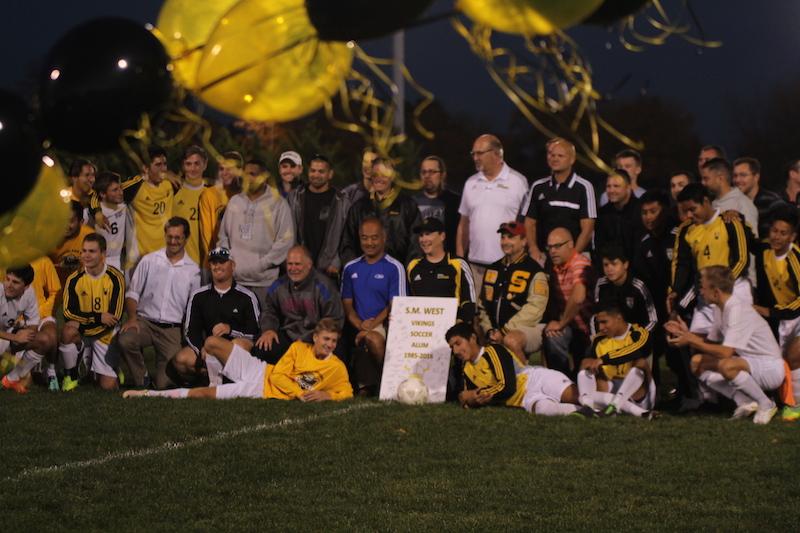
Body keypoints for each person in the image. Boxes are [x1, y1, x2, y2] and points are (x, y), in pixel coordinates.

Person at [124, 318, 352, 401]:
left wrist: (327, 395)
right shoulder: (299, 348)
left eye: (333, 341)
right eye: (325, 339)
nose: (329, 344)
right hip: (261, 372)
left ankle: (147, 394)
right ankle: (217, 381)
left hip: (259, 391)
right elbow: (280, 374)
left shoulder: (336, 367)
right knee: (212, 343)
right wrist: (299, 393)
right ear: (315, 337)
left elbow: (347, 392)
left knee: (202, 395)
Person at [666, 266, 783, 424]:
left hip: (770, 368)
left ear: (716, 292)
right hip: (749, 362)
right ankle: (745, 401)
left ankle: (766, 404)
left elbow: (726, 353)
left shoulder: (736, 309)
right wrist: (686, 334)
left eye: (703, 287)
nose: (700, 291)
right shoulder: (720, 307)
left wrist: (691, 340)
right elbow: (710, 344)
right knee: (697, 363)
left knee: (727, 365)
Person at [117, 217, 202, 389]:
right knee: (125, 340)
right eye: (169, 236)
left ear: (186, 238)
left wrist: (187, 336)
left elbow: (193, 309)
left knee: (164, 385)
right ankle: (142, 380)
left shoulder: (194, 271)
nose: (173, 241)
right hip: (145, 323)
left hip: (172, 330)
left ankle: (163, 378)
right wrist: (132, 318)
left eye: (177, 237)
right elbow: (132, 293)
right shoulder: (149, 260)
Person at [445, 322, 591, 416]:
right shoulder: (467, 369)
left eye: (458, 343)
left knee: (579, 397)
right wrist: (467, 398)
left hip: (535, 380)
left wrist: (477, 395)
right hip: (526, 399)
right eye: (452, 347)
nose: (456, 350)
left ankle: (611, 404)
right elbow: (468, 396)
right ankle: (591, 413)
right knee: (543, 410)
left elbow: (507, 386)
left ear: (472, 338)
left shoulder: (493, 351)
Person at [167, 246, 260, 386]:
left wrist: (230, 329)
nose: (217, 266)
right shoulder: (198, 296)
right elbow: (190, 331)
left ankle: (231, 380)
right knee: (182, 358)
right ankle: (210, 379)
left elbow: (255, 331)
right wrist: (201, 349)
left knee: (239, 344)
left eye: (222, 262)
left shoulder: (247, 296)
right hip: (209, 350)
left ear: (233, 266)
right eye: (214, 263)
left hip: (234, 348)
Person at [671, 183, 753, 336]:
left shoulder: (730, 222)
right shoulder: (686, 229)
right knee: (696, 343)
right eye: (685, 211)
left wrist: (720, 285)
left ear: (706, 201)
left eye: (693, 209)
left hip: (734, 291)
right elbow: (682, 264)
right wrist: (676, 289)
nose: (689, 215)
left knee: (734, 347)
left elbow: (742, 260)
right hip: (706, 295)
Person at [217, 158, 294, 311]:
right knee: (233, 329)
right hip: (235, 281)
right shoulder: (235, 202)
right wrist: (230, 262)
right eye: (245, 174)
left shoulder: (278, 204)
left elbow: (285, 242)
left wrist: (260, 265)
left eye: (253, 174)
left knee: (263, 328)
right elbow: (223, 237)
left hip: (265, 283)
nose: (248, 179)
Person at [341, 217, 407, 395]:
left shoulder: (395, 267)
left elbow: (396, 304)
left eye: (374, 237)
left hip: (384, 325)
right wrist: (359, 325)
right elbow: (347, 304)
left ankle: (389, 382)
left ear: (384, 237)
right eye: (364, 238)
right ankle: (367, 385)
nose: (369, 242)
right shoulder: (350, 268)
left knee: (373, 339)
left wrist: (372, 325)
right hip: (357, 325)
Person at [457, 134, 529, 290]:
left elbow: (527, 224)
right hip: (474, 267)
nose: (475, 157)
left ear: (497, 154)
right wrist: (460, 261)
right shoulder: (470, 183)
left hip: (507, 266)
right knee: (474, 313)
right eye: (473, 153)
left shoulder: (518, 182)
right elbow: (463, 224)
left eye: (480, 153)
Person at [251, 245, 344, 364]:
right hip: (288, 335)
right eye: (290, 264)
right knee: (263, 346)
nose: (293, 268)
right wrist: (269, 329)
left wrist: (310, 338)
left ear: (309, 265)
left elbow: (334, 319)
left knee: (335, 350)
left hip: (316, 337)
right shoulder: (278, 285)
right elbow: (269, 310)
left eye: (297, 264)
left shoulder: (324, 286)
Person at [58, 233, 125, 391]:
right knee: (68, 331)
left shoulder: (116, 278)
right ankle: (71, 375)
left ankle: (111, 367)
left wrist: (83, 323)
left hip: (106, 334)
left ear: (103, 254)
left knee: (108, 386)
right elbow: (67, 313)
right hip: (85, 331)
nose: (86, 255)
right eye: (84, 251)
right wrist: (98, 317)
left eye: (92, 251)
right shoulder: (74, 279)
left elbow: (115, 316)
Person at [478, 221, 548, 361]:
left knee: (511, 340)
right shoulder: (493, 268)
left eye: (511, 237)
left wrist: (504, 331)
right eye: (503, 237)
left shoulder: (535, 271)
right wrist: (489, 330)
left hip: (531, 328)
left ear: (524, 241)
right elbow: (482, 305)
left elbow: (535, 308)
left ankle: (524, 380)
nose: (505, 241)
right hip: (496, 330)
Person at [524, 137, 596, 265]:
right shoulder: (538, 186)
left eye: (560, 155)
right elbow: (529, 223)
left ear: (572, 159)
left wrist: (572, 256)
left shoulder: (584, 187)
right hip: (544, 257)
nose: (555, 158)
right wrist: (533, 249)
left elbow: (588, 228)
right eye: (552, 155)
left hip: (577, 257)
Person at [577, 304, 656, 418]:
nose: (600, 327)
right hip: (609, 390)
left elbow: (635, 351)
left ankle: (617, 405)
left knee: (640, 362)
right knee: (587, 363)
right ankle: (588, 407)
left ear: (618, 318)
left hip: (637, 394)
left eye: (604, 322)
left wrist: (604, 359)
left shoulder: (639, 333)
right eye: (599, 323)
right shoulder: (599, 340)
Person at [340, 157, 422, 265]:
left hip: (398, 273)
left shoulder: (407, 206)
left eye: (384, 175)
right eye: (375, 175)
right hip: (365, 273)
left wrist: (410, 271)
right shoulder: (359, 208)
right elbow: (347, 243)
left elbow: (416, 244)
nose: (379, 179)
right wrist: (356, 270)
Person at [542, 227, 595, 375]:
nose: (552, 251)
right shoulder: (554, 268)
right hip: (572, 328)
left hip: (591, 330)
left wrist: (561, 323)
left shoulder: (580, 264)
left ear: (571, 244)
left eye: (557, 246)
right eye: (549, 247)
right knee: (553, 336)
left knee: (585, 374)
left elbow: (578, 298)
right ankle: (561, 381)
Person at [286, 154, 347, 278]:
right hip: (300, 267)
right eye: (313, 171)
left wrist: (337, 262)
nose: (316, 175)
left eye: (321, 171)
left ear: (330, 174)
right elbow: (287, 233)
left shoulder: (341, 200)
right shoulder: (295, 197)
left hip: (329, 269)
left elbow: (346, 236)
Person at [407, 217, 476, 323]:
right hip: (421, 329)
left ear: (442, 236)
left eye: (428, 234)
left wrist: (460, 320)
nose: (423, 239)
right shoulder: (413, 266)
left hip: (453, 327)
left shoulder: (458, 264)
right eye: (421, 235)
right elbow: (406, 301)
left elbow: (470, 301)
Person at [113, 146, 175, 262]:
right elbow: (107, 190)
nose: (163, 169)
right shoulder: (136, 187)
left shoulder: (169, 185)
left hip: (164, 257)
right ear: (146, 168)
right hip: (138, 259)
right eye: (158, 165)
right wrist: (97, 212)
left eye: (164, 164)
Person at [0, 265, 55, 394]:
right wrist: (15, 337)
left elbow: (33, 325)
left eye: (15, 282)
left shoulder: (29, 293)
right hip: (6, 337)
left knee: (44, 340)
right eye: (7, 279)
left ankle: (11, 379)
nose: (9, 284)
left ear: (26, 286)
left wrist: (23, 333)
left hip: (5, 336)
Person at [198, 151, 243, 269]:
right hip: (214, 263)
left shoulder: (245, 195)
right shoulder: (209, 195)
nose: (225, 173)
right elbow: (206, 236)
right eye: (221, 169)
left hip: (240, 264)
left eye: (229, 169)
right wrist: (216, 260)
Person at [593, 168, 644, 266]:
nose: (611, 190)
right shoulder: (602, 213)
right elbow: (599, 247)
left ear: (628, 187)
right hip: (609, 270)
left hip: (637, 270)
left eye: (616, 186)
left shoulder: (640, 211)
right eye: (608, 186)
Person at [412, 156, 461, 253]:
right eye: (424, 172)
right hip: (418, 259)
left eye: (432, 172)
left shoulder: (455, 201)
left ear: (442, 175)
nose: (427, 176)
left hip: (447, 259)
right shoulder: (411, 202)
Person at [701, 157, 758, 237]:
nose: (703, 183)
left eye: (706, 179)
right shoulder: (711, 203)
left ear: (720, 178)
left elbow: (752, 240)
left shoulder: (743, 204)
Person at [29, 256, 62, 391]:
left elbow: (56, 291)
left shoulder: (43, 260)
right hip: (16, 317)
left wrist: (42, 311)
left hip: (42, 313)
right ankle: (31, 367)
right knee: (26, 382)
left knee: (52, 335)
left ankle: (51, 371)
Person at [173, 145, 208, 264]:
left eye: (197, 164)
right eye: (188, 164)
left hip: (205, 265)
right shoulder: (173, 191)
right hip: (179, 264)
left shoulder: (212, 195)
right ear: (183, 166)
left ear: (205, 165)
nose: (193, 168)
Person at [732, 157, 784, 238]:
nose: (737, 180)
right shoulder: (731, 202)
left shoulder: (773, 203)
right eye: (735, 176)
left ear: (756, 177)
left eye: (743, 175)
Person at [93, 171, 131, 272]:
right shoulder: (92, 213)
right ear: (102, 194)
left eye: (120, 188)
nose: (120, 192)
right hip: (95, 261)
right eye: (115, 190)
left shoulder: (124, 207)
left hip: (117, 260)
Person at [50, 201, 94, 284]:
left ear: (81, 222)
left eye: (70, 221)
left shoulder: (90, 237)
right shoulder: (49, 237)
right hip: (55, 286)